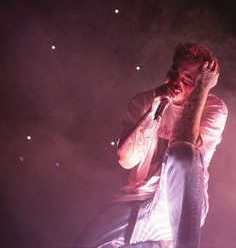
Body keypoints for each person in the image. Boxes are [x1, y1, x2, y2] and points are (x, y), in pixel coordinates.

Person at [75, 43, 228, 248]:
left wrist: (202, 89)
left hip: (175, 205)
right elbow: (126, 160)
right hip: (136, 198)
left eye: (187, 78)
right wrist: (154, 110)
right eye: (174, 72)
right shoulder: (144, 100)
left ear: (201, 83)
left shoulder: (214, 108)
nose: (175, 81)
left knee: (182, 153)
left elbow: (183, 142)